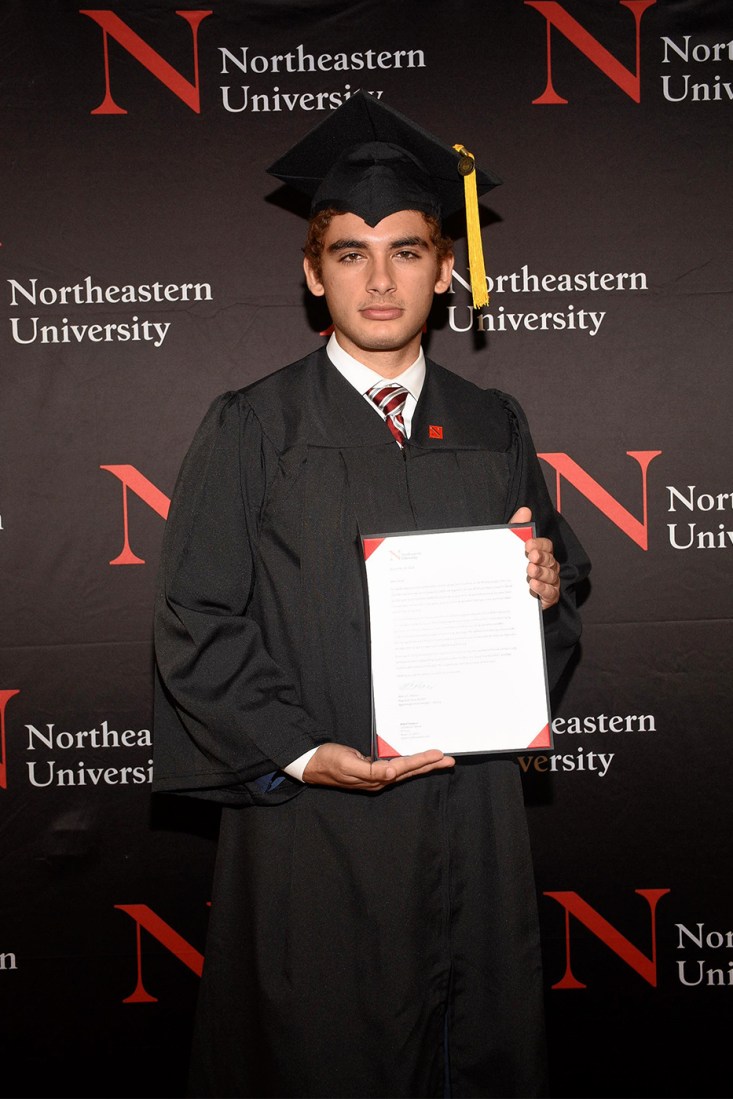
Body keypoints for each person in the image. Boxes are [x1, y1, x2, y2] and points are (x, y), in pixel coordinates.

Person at [152, 91, 590, 1099]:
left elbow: (555, 589)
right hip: (316, 832)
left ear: (448, 266)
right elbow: (196, 620)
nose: (381, 277)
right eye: (351, 252)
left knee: (471, 1046)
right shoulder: (253, 425)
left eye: (407, 248)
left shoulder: (492, 421)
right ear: (314, 273)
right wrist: (304, 754)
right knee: (324, 1056)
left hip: (471, 820)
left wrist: (541, 591)